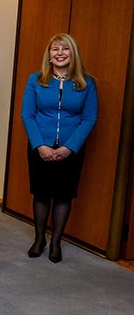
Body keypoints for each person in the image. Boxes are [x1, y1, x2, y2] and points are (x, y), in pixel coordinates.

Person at [21, 33, 97, 263]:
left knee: (64, 195)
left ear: (73, 53)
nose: (60, 53)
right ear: (49, 55)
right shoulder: (36, 80)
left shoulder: (87, 83)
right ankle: (39, 239)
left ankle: (55, 242)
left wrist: (70, 147)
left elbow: (89, 118)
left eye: (66, 49)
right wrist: (39, 145)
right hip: (39, 147)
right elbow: (28, 114)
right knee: (41, 193)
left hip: (70, 150)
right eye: (55, 49)